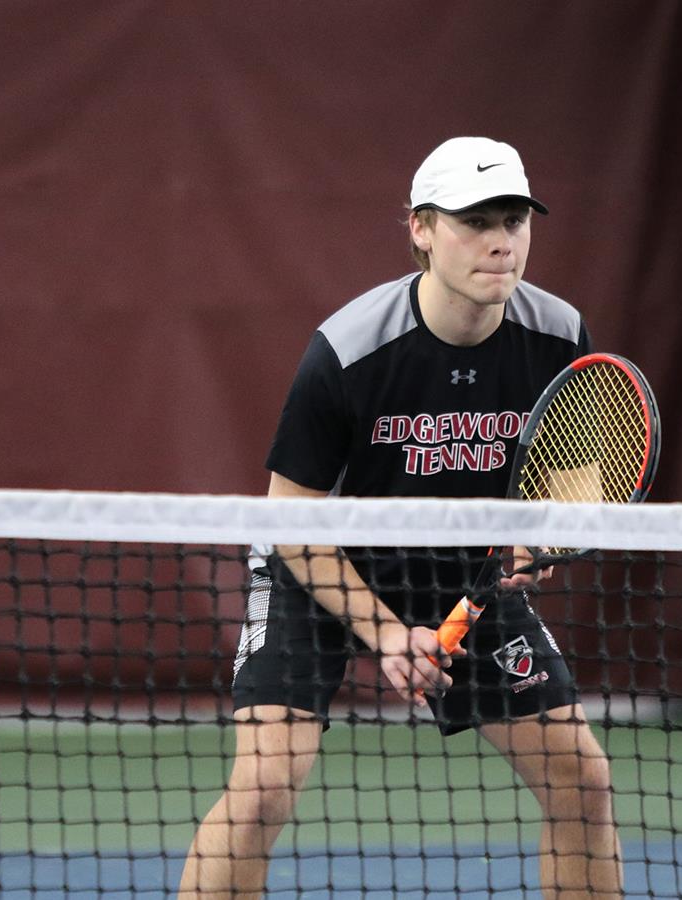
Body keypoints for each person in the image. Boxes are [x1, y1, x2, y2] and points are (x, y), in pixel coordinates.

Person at [179, 137, 623, 897]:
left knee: (582, 781)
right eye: (474, 221)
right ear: (419, 228)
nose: (500, 241)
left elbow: (574, 478)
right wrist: (386, 632)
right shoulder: (347, 351)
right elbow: (294, 521)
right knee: (261, 796)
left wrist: (541, 538)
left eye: (514, 219)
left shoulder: (557, 337)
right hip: (321, 570)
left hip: (466, 576)